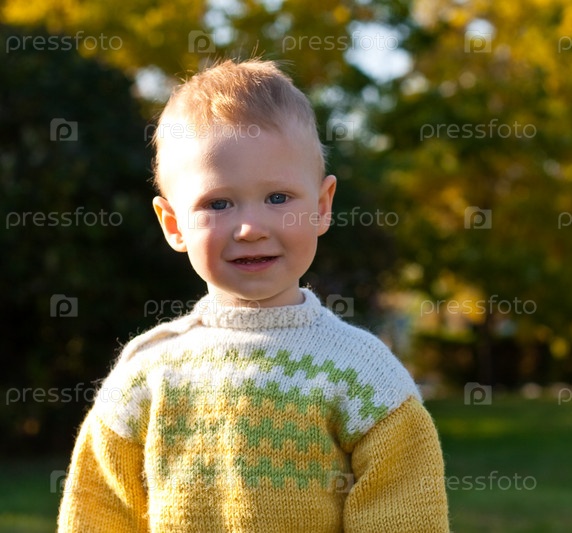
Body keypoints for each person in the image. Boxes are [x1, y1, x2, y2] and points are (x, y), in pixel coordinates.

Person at [57, 59, 450, 532]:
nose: (250, 228)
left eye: (278, 198)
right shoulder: (147, 372)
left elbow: (405, 518)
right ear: (174, 224)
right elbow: (97, 516)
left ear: (321, 206)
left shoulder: (365, 377)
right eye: (218, 203)